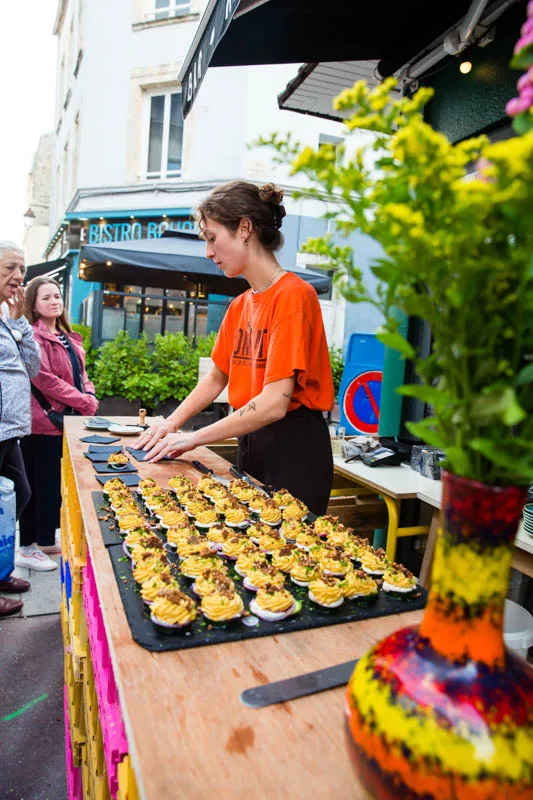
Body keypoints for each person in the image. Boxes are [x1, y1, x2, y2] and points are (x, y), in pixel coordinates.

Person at [135, 181, 334, 515]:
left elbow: (274, 404)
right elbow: (216, 378)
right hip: (251, 442)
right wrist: (169, 426)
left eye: (212, 238)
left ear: (244, 228)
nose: (208, 252)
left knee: (286, 559)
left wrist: (194, 438)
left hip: (295, 448)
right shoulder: (240, 304)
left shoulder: (293, 295)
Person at [16, 277, 98, 570]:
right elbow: (43, 378)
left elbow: (82, 373)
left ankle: (45, 540)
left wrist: (89, 395)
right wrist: (81, 400)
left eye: (57, 296)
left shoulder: (68, 336)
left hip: (67, 420)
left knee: (54, 484)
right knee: (36, 485)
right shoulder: (33, 337)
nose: (54, 301)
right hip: (42, 422)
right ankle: (26, 547)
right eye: (46, 298)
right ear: (34, 306)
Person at [0, 242, 41, 616]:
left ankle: (0, 573)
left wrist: (19, 323)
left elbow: (32, 368)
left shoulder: (8, 321)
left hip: (9, 431)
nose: (18, 279)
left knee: (19, 495)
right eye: (11, 268)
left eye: (22, 271)